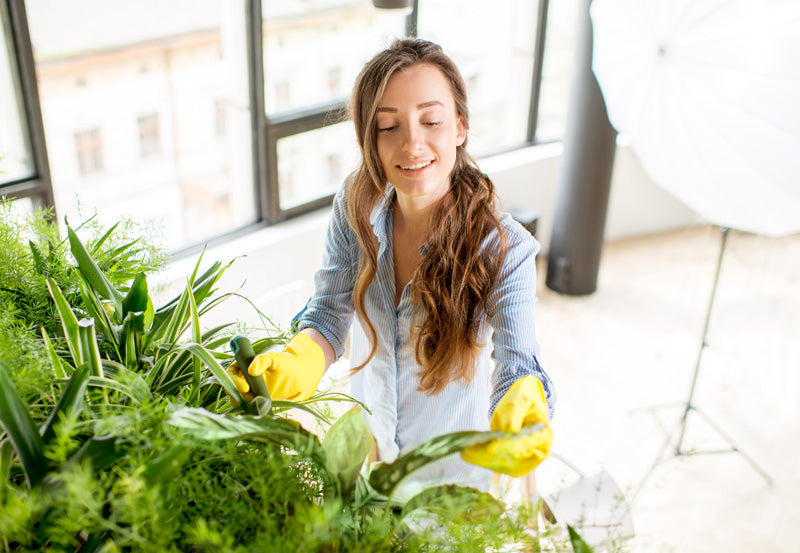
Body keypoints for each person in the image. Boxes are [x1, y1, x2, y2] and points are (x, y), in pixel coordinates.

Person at [229, 38, 555, 495]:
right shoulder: (355, 205)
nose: (411, 143)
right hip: (370, 459)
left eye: (432, 120)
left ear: (459, 126)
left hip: (456, 483)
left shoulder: (505, 247)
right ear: (370, 138)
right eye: (388, 126)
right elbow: (328, 315)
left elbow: (519, 365)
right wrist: (299, 359)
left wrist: (525, 402)